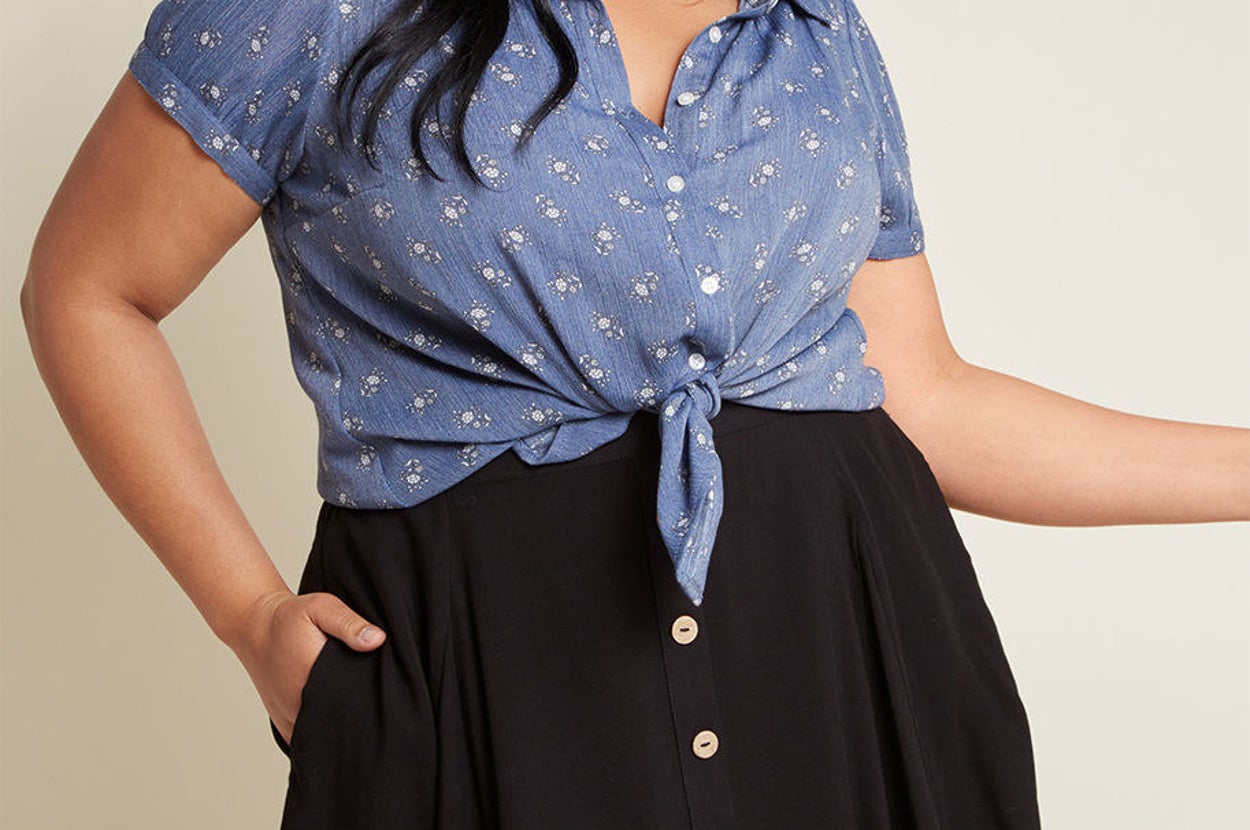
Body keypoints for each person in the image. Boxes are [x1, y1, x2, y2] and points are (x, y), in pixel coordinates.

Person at [20, 0, 1248, 827]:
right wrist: (247, 618)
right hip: (486, 681)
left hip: (843, 669)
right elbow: (86, 288)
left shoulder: (814, 28)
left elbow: (918, 392)